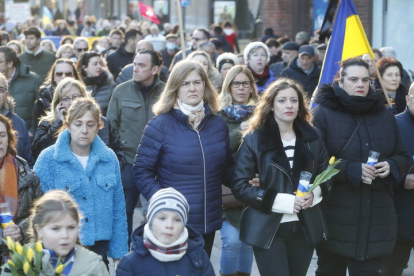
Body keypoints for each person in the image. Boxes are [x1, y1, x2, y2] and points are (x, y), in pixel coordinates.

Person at [313, 58, 409, 276]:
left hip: (377, 216)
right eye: (354, 79)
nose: (360, 85)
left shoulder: (385, 115)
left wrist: (391, 165)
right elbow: (314, 162)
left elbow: (402, 156)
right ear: (340, 80)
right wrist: (350, 170)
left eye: (365, 80)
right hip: (335, 217)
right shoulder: (323, 115)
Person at [133, 60, 233, 257]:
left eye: (197, 82)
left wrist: (250, 178)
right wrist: (164, 202)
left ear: (205, 86)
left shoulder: (217, 124)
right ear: (175, 89)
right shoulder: (160, 125)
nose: (192, 88)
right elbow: (141, 171)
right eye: (185, 84)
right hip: (174, 222)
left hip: (208, 221)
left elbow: (226, 169)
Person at [232, 78, 329, 276]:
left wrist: (315, 193)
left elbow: (326, 173)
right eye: (282, 100)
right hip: (267, 226)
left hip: (304, 225)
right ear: (271, 105)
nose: (289, 105)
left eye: (294, 100)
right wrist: (284, 201)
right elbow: (240, 186)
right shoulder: (254, 139)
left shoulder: (312, 137)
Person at [34, 97, 128, 264]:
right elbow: (37, 208)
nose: (84, 130)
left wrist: (119, 250)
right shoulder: (48, 159)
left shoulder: (109, 158)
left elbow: (118, 207)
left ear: (99, 126)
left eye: (90, 124)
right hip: (60, 248)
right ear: (68, 125)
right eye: (78, 124)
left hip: (100, 247)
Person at [107, 50, 165, 244]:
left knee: (159, 214)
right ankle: (123, 258)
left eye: (141, 65)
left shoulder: (167, 93)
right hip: (129, 163)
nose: (135, 68)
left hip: (160, 166)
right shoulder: (121, 91)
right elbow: (110, 128)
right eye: (135, 64)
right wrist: (118, 159)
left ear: (155, 69)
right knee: (124, 215)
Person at [1, 190, 110, 275]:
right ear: (39, 230)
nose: (65, 236)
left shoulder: (93, 265)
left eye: (71, 227)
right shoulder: (21, 262)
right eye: (56, 229)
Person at [116, 188, 214, 275]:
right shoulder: (131, 263)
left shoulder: (198, 257)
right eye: (162, 218)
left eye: (177, 220)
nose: (169, 225)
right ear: (150, 221)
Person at [218, 65, 258, 276]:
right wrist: (240, 131)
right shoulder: (219, 115)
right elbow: (217, 148)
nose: (241, 88)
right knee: (231, 241)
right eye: (236, 83)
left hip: (254, 187)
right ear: (229, 86)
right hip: (228, 188)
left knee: (247, 241)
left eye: (245, 83)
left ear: (252, 86)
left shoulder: (263, 114)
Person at [31, 78, 124, 165]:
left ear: (84, 97)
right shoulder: (48, 123)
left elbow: (118, 150)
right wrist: (58, 124)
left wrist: (111, 170)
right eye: (66, 98)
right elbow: (36, 152)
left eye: (75, 97)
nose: (71, 102)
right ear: (59, 103)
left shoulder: (102, 121)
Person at [380, 82, 414, 275]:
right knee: (391, 270)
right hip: (399, 216)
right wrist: (402, 180)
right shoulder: (394, 125)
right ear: (408, 99)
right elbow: (380, 164)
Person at [0, 114, 42, 262]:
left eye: (2, 135)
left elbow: (42, 214)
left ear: (8, 139)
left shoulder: (27, 174)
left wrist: (21, 230)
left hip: (21, 258)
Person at [0, 46, 42, 133]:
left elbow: (42, 108)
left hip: (24, 134)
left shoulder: (33, 80)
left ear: (10, 63)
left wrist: (32, 131)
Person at [33, 59, 81, 131]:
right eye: (59, 74)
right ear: (54, 77)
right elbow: (38, 138)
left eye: (68, 74)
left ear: (74, 76)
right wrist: (58, 122)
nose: (63, 77)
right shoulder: (42, 103)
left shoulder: (83, 97)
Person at [0, 73, 33, 165]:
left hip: (14, 176)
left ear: (6, 95)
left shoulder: (19, 123)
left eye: (0, 89)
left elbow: (28, 162)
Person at [77, 51, 114, 116]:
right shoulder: (77, 87)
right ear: (84, 67)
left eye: (100, 63)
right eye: (95, 64)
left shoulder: (109, 86)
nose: (99, 66)